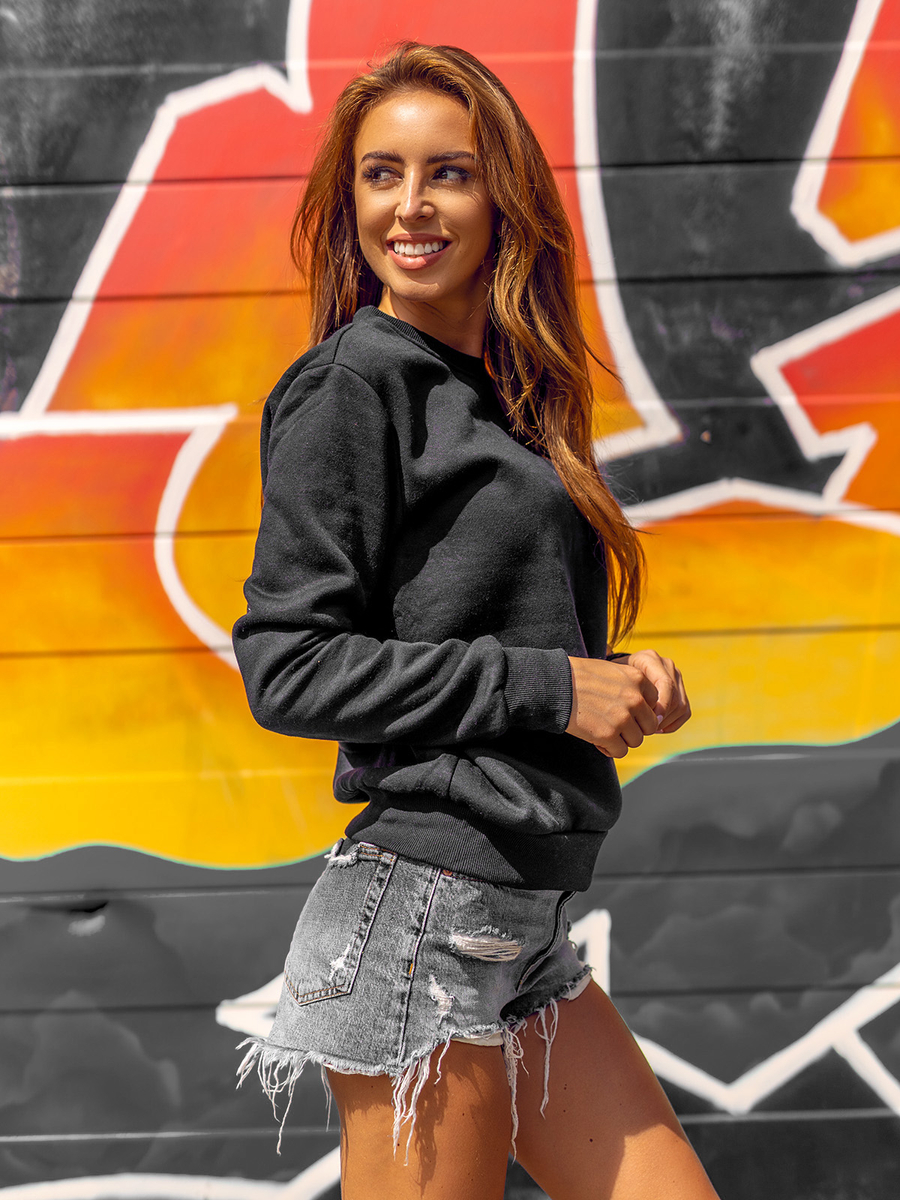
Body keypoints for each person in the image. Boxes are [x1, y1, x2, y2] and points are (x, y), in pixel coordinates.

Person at [232, 41, 719, 1200]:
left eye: (447, 172)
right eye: (380, 174)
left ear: (503, 198)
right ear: (349, 201)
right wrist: (554, 689)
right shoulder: (353, 386)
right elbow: (287, 665)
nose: (410, 205)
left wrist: (615, 680)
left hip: (523, 926)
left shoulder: (503, 396)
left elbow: (483, 629)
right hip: (422, 919)